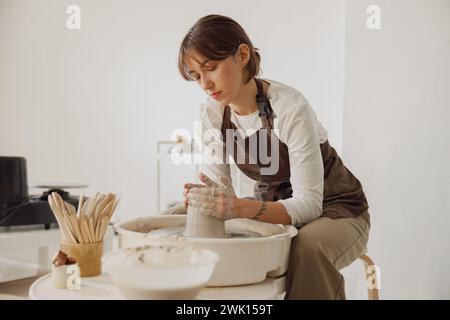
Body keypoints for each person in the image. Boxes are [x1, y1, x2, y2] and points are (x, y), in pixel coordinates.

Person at [178, 14, 370, 300]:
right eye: (196, 76)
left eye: (211, 68)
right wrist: (206, 199)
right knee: (177, 219)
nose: (205, 83)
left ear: (242, 55)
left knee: (307, 248)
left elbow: (309, 205)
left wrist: (238, 208)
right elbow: (219, 190)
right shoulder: (210, 113)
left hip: (337, 209)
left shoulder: (290, 107)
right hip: (275, 209)